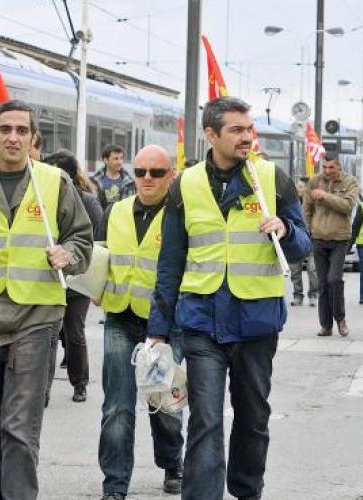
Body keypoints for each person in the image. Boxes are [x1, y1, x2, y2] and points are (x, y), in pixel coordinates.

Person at [147, 96, 311, 500]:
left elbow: (304, 244)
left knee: (253, 417)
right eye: (237, 130)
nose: (246, 137)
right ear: (211, 134)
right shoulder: (185, 185)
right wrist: (158, 330)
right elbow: (170, 262)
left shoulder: (271, 178)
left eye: (248, 129)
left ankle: (246, 491)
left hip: (256, 322)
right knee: (205, 419)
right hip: (202, 322)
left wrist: (286, 230)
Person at [0, 99, 92, 500]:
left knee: (19, 427)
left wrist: (69, 255)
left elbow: (81, 238)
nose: (13, 137)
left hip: (35, 318)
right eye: (5, 129)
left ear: (33, 139)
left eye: (22, 131)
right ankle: (3, 486)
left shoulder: (54, 182)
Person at [96, 145, 183, 500]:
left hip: (166, 325)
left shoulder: (180, 215)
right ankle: (115, 484)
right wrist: (93, 285)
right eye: (141, 171)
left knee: (163, 404)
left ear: (170, 176)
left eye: (156, 172)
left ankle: (172, 462)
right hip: (120, 316)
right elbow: (98, 254)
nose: (147, 178)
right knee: (117, 405)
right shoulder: (114, 211)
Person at [43, 148, 102, 404]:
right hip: (48, 278)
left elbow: (96, 239)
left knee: (73, 332)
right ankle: (42, 391)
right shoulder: (40, 198)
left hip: (78, 280)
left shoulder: (88, 201)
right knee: (49, 336)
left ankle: (80, 383)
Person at [303, 154, 358, 337]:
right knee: (322, 283)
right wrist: (308, 231)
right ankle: (326, 325)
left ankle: (340, 318)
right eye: (324, 167)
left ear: (339, 167)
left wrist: (325, 196)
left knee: (334, 279)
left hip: (340, 239)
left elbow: (347, 206)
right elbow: (307, 209)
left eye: (331, 167)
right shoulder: (314, 181)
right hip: (318, 237)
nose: (327, 171)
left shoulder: (350, 182)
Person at [288, 177, 318, 307]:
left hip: (312, 239)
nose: (297, 189)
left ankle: (313, 295)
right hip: (296, 240)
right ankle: (297, 295)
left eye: (300, 186)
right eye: (297, 186)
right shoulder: (292, 201)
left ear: (307, 188)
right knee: (295, 270)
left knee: (312, 269)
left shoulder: (315, 203)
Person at [91, 144, 135, 209]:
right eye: (116, 159)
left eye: (121, 158)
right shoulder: (94, 181)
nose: (120, 162)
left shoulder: (130, 183)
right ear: (105, 160)